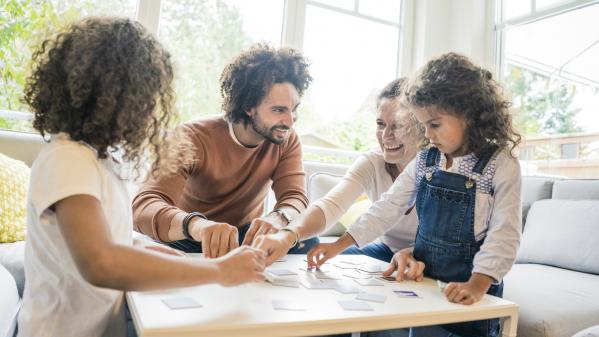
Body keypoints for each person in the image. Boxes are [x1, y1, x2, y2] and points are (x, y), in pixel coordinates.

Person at [18, 18, 266, 337]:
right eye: (148, 95)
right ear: (119, 95)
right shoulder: (67, 158)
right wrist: (219, 270)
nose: (150, 108)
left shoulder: (102, 158)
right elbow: (101, 261)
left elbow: (115, 233)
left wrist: (161, 253)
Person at [307, 53, 522, 337]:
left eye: (434, 124)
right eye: (422, 126)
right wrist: (340, 244)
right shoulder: (426, 159)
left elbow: (504, 234)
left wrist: (478, 283)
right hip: (425, 282)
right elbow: (389, 206)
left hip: (474, 288)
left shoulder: (501, 164)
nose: (427, 134)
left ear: (468, 114)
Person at [132, 43, 318, 258]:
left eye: (294, 110)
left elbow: (295, 198)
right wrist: (196, 226)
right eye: (278, 110)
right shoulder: (191, 137)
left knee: (307, 239)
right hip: (190, 235)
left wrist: (278, 218)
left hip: (242, 236)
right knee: (145, 246)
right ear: (249, 107)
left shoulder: (286, 139)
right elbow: (144, 205)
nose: (290, 121)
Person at [254, 78, 426, 266]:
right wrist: (288, 235)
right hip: (386, 250)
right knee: (326, 263)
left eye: (397, 125)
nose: (385, 136)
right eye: (380, 124)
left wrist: (411, 252)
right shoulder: (372, 162)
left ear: (420, 126)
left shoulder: (438, 165)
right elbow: (331, 205)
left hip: (430, 255)